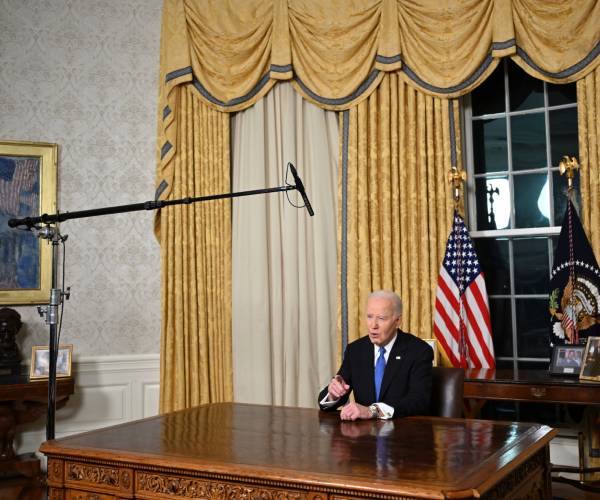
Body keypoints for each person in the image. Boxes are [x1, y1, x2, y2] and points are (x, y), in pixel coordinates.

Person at [318, 290, 433, 420]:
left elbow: (419, 402)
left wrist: (373, 411)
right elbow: (329, 399)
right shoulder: (355, 350)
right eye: (369, 316)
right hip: (363, 435)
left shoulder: (419, 351)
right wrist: (334, 394)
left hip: (402, 433)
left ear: (397, 321)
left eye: (381, 318)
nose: (373, 325)